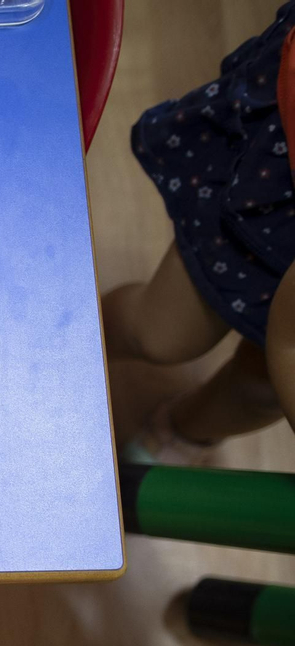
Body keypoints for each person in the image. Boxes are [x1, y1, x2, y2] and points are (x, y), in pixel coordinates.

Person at [106, 4, 295, 460]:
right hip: (278, 194)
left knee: (261, 387)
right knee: (160, 333)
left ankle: (178, 434)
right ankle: (68, 343)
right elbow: (291, 339)